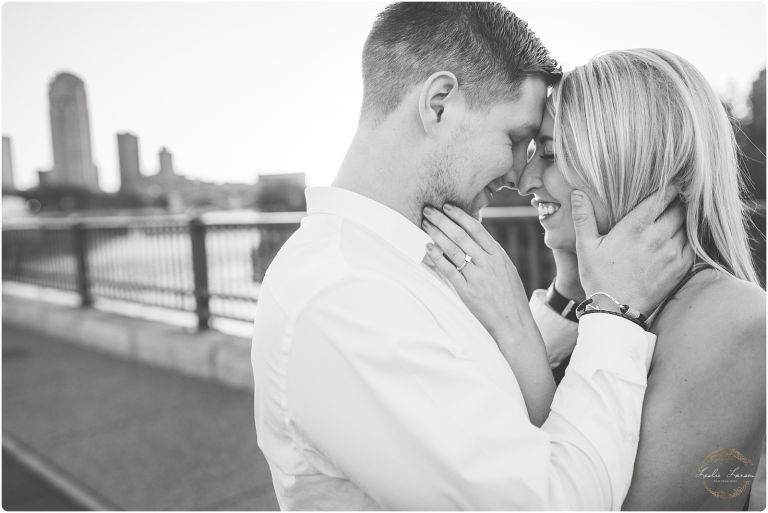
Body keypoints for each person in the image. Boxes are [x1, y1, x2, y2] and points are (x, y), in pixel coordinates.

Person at [251, 4, 692, 509]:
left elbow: (485, 407)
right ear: (439, 103)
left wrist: (550, 308)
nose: (516, 175)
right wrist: (615, 312)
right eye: (515, 138)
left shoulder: (395, 263)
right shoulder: (346, 298)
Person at [424, 48, 766, 510]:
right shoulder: (590, 299)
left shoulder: (733, 318)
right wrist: (570, 290)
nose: (523, 181)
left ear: (626, 157)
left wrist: (513, 323)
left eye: (547, 153)